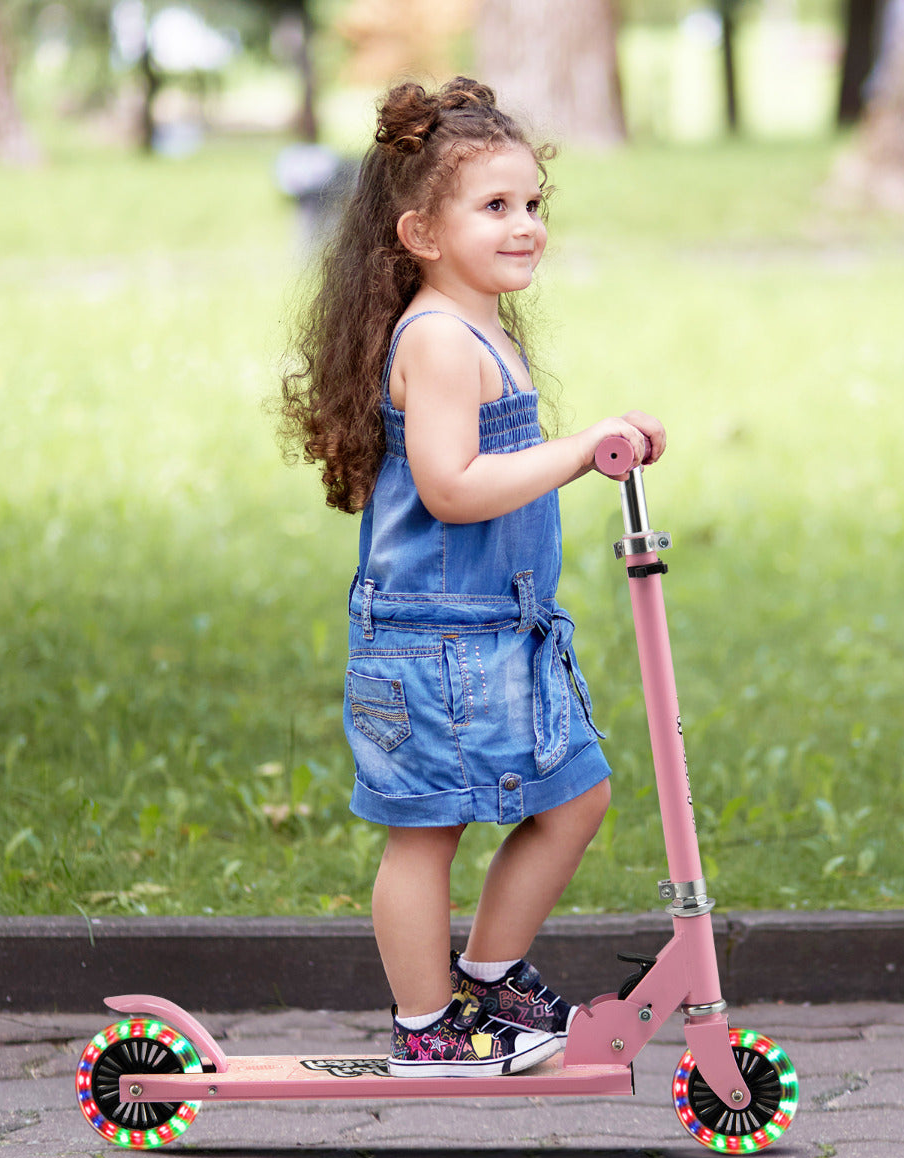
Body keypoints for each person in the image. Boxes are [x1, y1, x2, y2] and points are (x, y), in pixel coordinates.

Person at [281, 76, 665, 1077]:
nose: (526, 224)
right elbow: (453, 489)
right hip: (433, 638)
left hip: (503, 629)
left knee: (575, 795)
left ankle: (489, 978)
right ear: (419, 233)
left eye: (533, 203)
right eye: (495, 207)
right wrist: (583, 449)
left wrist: (604, 441)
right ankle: (426, 1028)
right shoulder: (442, 339)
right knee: (425, 831)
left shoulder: (483, 322)